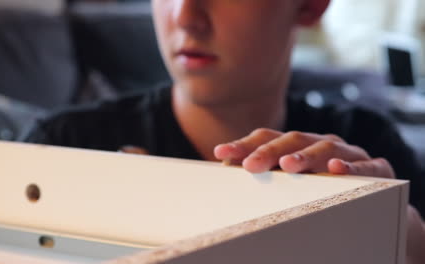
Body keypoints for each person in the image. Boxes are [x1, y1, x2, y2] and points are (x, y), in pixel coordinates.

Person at [23, 0, 425, 262]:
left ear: (310, 6)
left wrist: (400, 237)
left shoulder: (371, 150)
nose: (184, 15)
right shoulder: (63, 149)